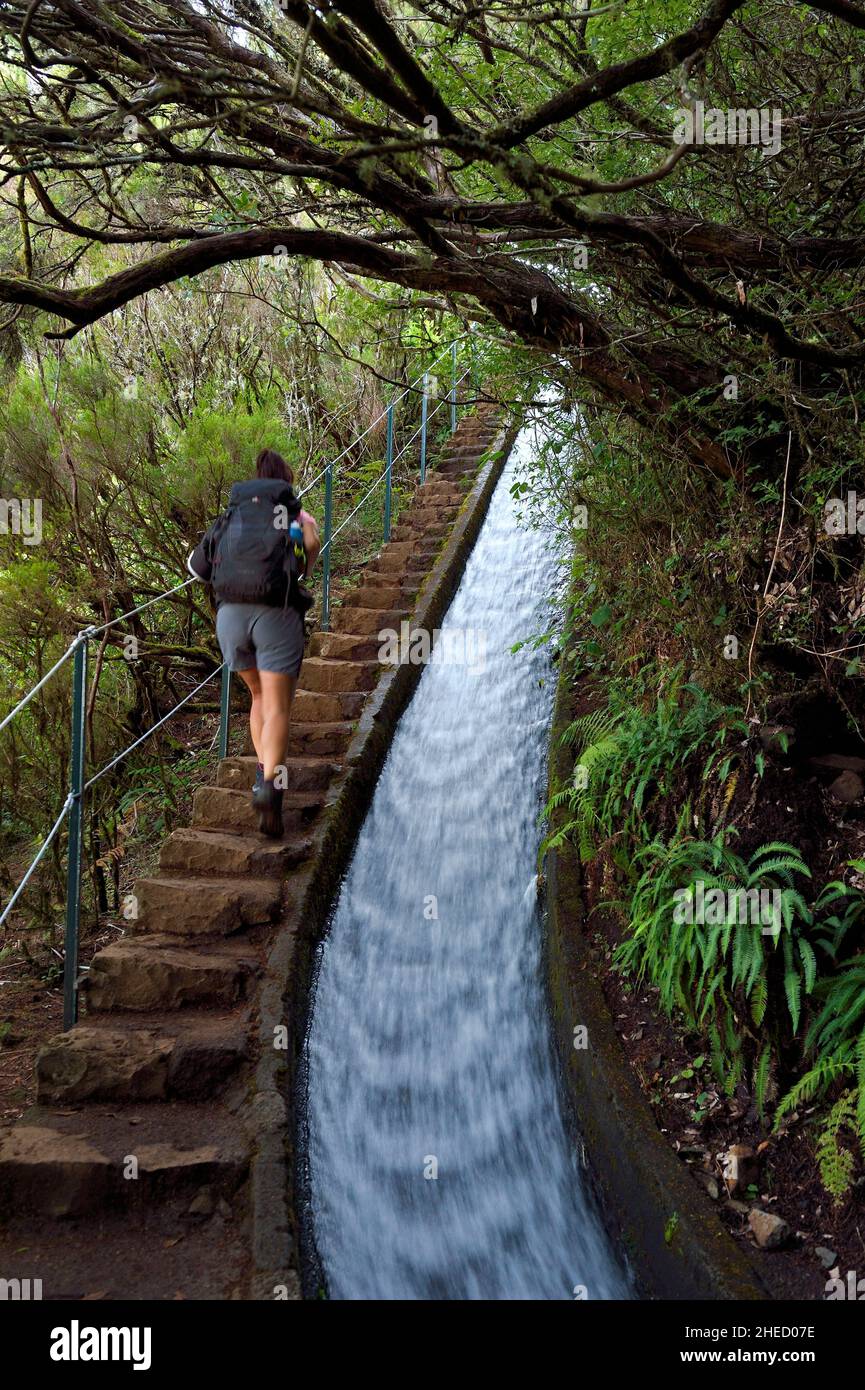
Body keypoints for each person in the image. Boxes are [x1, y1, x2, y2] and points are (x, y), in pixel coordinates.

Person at [188, 449, 320, 838]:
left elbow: (196, 567)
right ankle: (268, 785)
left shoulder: (233, 516)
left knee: (258, 697)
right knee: (278, 705)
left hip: (229, 617)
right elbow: (311, 545)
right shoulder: (294, 513)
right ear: (285, 481)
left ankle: (264, 774)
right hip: (275, 614)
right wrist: (302, 571)